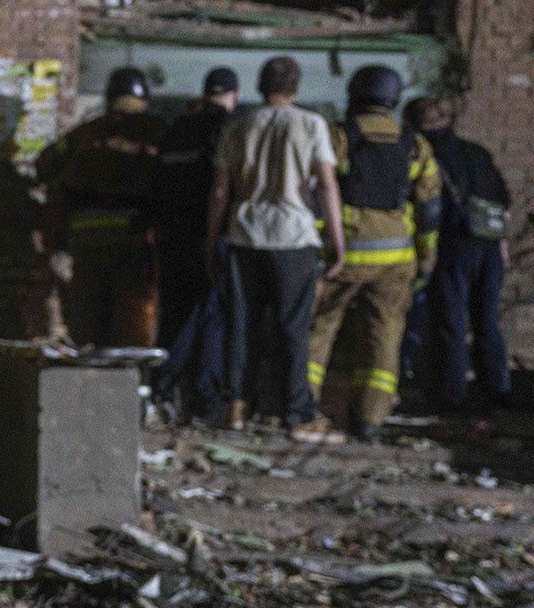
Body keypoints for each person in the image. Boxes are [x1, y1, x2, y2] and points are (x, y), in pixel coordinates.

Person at [206, 56, 346, 436]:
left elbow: (220, 191)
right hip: (294, 237)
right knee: (292, 328)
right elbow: (328, 186)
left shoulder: (238, 125)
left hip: (244, 233)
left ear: (260, 85)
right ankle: (297, 414)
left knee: (242, 323)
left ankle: (236, 405)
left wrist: (211, 239)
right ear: (295, 87)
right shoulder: (312, 124)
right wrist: (338, 241)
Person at [305, 65, 441, 442]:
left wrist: (319, 248)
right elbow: (430, 210)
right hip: (396, 259)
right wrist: (426, 260)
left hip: (343, 255)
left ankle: (302, 408)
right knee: (383, 337)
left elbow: (317, 194)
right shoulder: (415, 144)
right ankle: (369, 420)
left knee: (318, 329)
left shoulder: (338, 136)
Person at [34, 66, 167, 346]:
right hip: (136, 238)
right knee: (133, 314)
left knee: (88, 314)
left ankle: (89, 369)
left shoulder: (85, 134)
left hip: (87, 239)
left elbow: (44, 164)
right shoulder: (157, 133)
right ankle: (132, 378)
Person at [407, 96, 514, 435]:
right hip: (489, 246)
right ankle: (496, 392)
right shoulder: (477, 152)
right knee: (487, 322)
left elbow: (425, 203)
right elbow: (504, 200)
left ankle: (451, 395)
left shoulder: (426, 154)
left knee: (450, 323)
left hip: (452, 246)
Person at [152, 66, 240, 423]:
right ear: (233, 96)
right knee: (209, 315)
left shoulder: (175, 130)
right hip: (207, 234)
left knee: (173, 311)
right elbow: (223, 188)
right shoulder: (226, 129)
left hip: (170, 234)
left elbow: (157, 182)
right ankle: (201, 398)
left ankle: (164, 389)